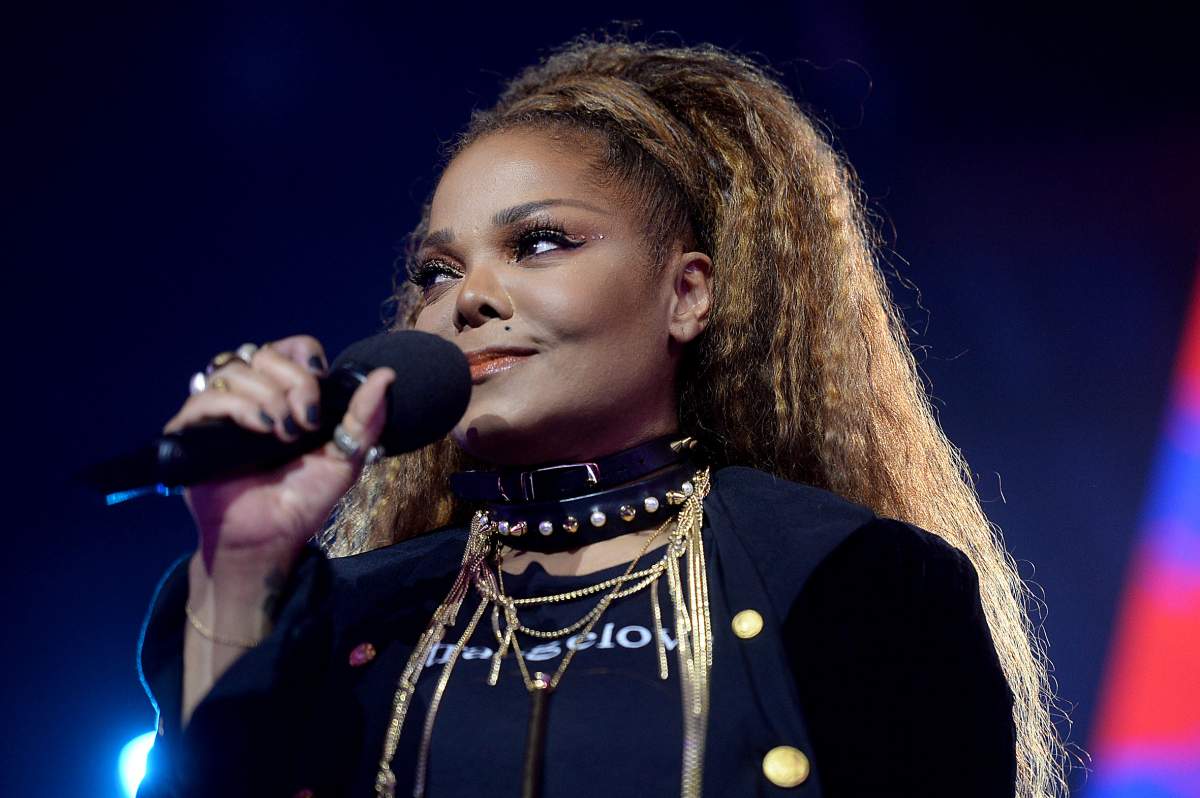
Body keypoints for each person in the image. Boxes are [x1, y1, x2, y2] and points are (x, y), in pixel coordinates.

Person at [135, 35, 1070, 798]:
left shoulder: (855, 585)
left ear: (687, 295)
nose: (470, 300)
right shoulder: (347, 616)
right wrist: (244, 564)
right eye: (438, 270)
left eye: (539, 242)